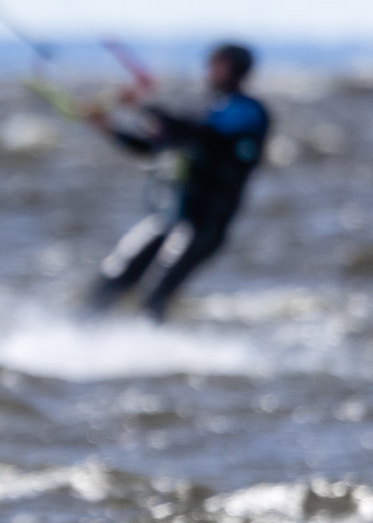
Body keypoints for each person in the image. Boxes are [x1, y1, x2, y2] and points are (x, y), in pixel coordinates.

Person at [84, 42, 269, 322]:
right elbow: (152, 144)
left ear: (236, 69)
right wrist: (107, 126)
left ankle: (148, 353)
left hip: (205, 225)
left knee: (154, 294)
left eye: (218, 63)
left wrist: (144, 106)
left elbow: (202, 131)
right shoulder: (205, 106)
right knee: (113, 278)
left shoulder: (248, 111)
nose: (210, 69)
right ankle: (84, 340)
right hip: (172, 217)